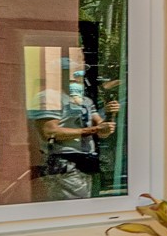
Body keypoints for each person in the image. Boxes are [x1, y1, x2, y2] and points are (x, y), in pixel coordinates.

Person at [38, 73, 113, 201]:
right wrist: (94, 130)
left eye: (81, 74)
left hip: (86, 160)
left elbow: (102, 131)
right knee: (73, 206)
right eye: (74, 73)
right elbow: (49, 132)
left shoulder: (86, 100)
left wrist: (110, 114)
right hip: (63, 160)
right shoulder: (49, 97)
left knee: (86, 203)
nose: (79, 78)